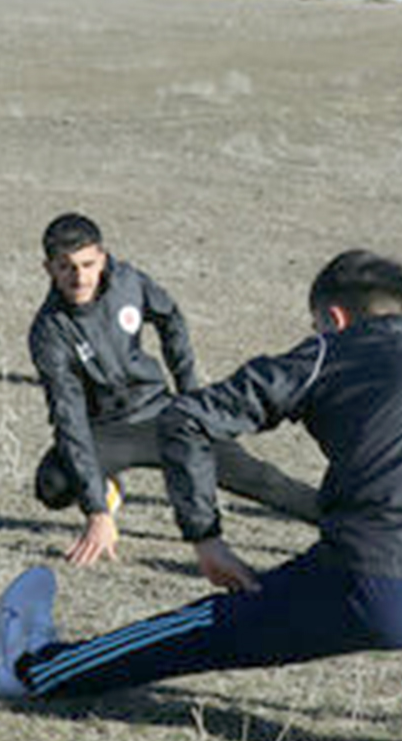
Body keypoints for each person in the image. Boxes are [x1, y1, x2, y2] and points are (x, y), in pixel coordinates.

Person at [0, 249, 402, 741]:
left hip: (374, 586)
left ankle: (32, 670)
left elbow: (186, 418)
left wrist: (205, 535)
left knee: (203, 629)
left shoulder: (330, 350)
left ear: (335, 319)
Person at [28, 212, 317, 567]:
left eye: (87, 264)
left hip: (163, 414)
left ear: (102, 257)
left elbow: (171, 319)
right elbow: (68, 417)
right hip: (106, 430)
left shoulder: (128, 282)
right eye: (66, 267)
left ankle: (346, 522)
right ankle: (107, 489)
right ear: (49, 269)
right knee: (53, 484)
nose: (79, 277)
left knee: (260, 479)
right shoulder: (48, 333)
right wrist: (96, 511)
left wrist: (190, 394)